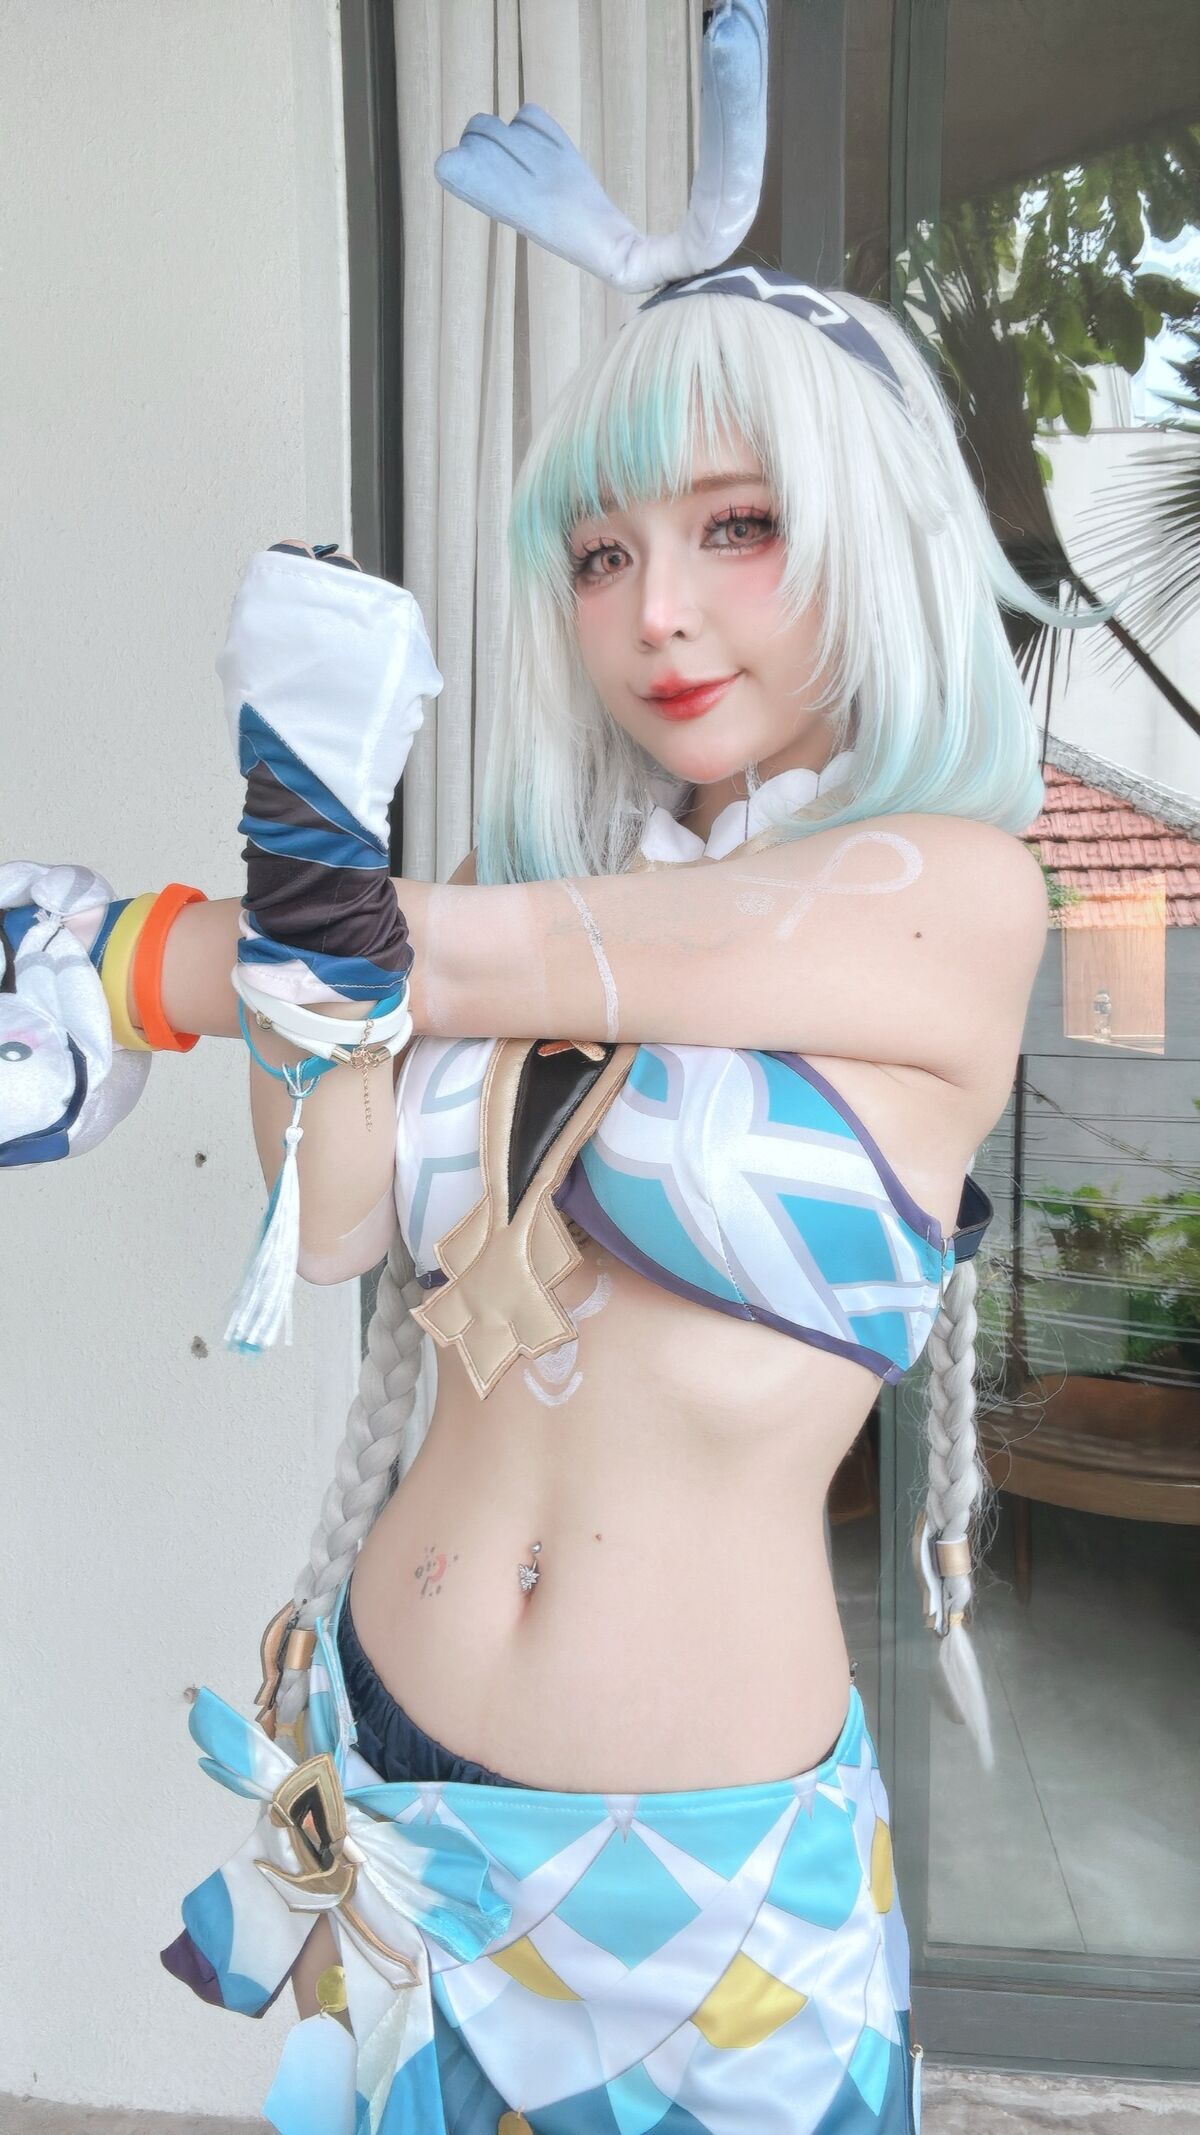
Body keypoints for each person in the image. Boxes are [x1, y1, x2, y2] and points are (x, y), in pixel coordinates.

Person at [2, 7, 1075, 2129]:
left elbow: (518, 958)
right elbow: (327, 1222)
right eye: (602, 552)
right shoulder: (516, 893)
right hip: (394, 1798)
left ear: (872, 534)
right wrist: (303, 844)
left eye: (738, 526)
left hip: (705, 1891)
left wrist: (170, 954)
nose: (657, 610)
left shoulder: (954, 892)